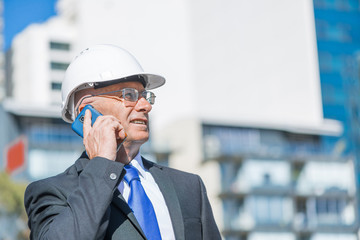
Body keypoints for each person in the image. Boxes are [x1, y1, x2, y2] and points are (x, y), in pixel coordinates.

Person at [24, 44, 221, 240]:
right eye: (129, 95)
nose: (145, 106)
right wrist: (101, 162)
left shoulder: (188, 186)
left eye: (145, 96)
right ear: (87, 112)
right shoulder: (52, 192)